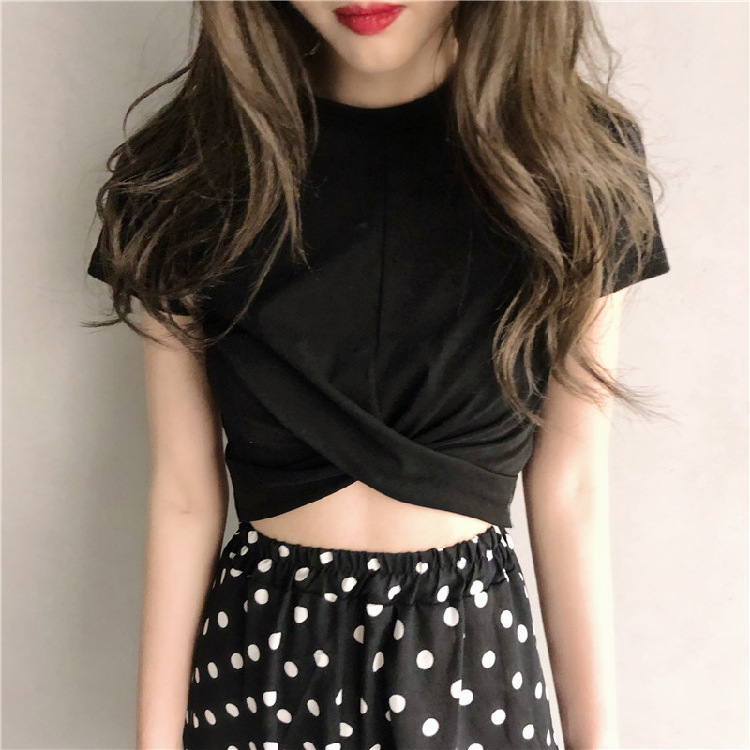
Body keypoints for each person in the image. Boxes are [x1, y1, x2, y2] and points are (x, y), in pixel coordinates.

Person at [85, 2, 671, 749]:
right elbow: (183, 493)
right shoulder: (187, 172)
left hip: (469, 655)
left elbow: (571, 486)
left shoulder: (575, 163)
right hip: (264, 657)